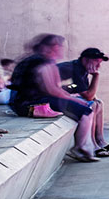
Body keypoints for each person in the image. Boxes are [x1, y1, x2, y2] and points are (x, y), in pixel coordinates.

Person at [7, 34, 101, 162]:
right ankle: (81, 148)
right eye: (60, 47)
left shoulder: (32, 60)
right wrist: (74, 99)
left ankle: (86, 146)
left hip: (20, 104)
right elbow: (53, 90)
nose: (61, 50)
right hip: (32, 104)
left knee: (84, 105)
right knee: (86, 111)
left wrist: (70, 97)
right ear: (53, 47)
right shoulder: (43, 63)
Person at [57, 48, 109, 156]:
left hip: (60, 97)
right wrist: (96, 76)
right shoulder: (74, 69)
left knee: (99, 103)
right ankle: (92, 145)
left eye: (100, 63)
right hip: (46, 99)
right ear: (85, 59)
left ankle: (100, 141)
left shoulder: (81, 68)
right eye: (96, 62)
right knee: (92, 105)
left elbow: (87, 94)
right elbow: (88, 96)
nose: (98, 66)